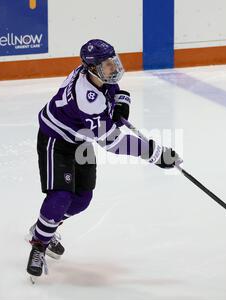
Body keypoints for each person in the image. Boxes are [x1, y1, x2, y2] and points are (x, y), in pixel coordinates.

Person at [27, 39, 182, 278]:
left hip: (81, 139)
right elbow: (113, 143)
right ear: (92, 68)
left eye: (113, 62)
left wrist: (121, 102)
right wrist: (155, 154)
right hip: (56, 141)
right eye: (108, 65)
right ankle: (39, 243)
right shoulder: (86, 99)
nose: (114, 68)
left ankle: (49, 224)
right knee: (61, 195)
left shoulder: (94, 76)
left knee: (82, 199)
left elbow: (111, 91)